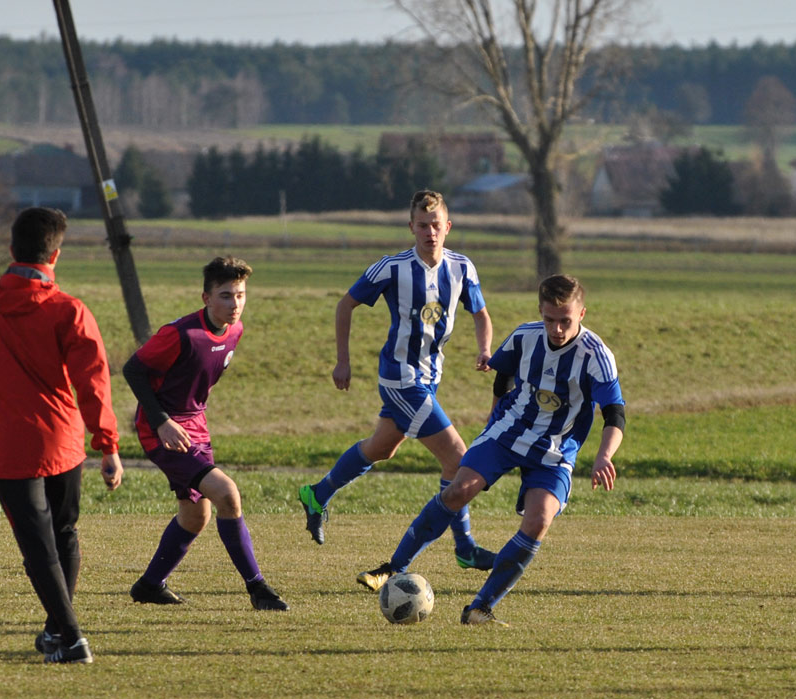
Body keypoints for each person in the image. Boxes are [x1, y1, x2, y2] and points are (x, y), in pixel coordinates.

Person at [354, 274, 624, 626]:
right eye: (550, 320)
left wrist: (605, 455)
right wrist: (491, 423)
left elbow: (615, 414)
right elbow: (502, 378)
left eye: (565, 321)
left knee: (539, 520)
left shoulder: (596, 355)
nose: (557, 329)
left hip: (556, 449)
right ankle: (392, 568)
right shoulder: (525, 337)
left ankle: (480, 607)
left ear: (582, 314)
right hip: (507, 432)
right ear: (540, 312)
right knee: (459, 490)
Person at [0, 207, 124, 664]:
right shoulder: (71, 310)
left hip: (8, 444)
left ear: (11, 250)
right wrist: (107, 444)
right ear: (56, 254)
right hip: (63, 440)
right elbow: (94, 382)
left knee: (36, 544)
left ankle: (69, 636)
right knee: (64, 533)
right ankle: (58, 632)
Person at [298, 189, 497, 570]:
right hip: (399, 377)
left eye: (436, 225)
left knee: (382, 447)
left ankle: (317, 494)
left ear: (448, 227)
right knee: (458, 458)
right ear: (411, 227)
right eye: (422, 225)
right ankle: (465, 547)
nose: (430, 232)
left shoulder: (462, 268)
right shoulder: (391, 268)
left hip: (429, 378)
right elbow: (346, 304)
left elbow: (481, 315)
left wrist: (484, 349)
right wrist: (343, 361)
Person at [122, 256, 288, 611]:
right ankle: (258, 589)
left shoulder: (235, 331)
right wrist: (163, 420)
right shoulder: (180, 334)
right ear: (206, 298)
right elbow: (133, 370)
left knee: (196, 516)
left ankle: (150, 584)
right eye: (226, 295)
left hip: (195, 425)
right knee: (227, 493)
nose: (235, 304)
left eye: (241, 295)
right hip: (162, 429)